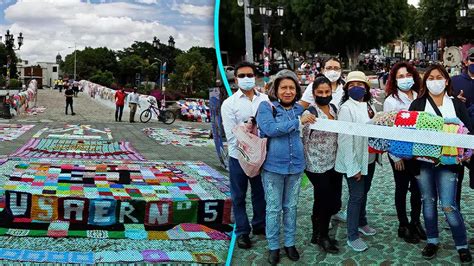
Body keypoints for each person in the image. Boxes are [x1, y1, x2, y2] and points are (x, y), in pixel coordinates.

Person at [409, 64, 472, 262]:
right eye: (431, 78)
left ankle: (461, 244)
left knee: (448, 205)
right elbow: (408, 132)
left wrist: (467, 152)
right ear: (425, 82)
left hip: (449, 163)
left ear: (446, 81)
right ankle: (432, 240)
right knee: (427, 202)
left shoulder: (456, 104)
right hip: (423, 163)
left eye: (439, 77)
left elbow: (468, 131)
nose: (435, 81)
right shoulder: (417, 104)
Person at [256, 69, 315, 265]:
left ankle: (289, 243)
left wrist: (308, 113)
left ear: (297, 90)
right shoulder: (267, 107)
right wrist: (298, 121)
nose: (288, 91)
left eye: (292, 88)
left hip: (296, 167)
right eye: (284, 87)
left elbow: (313, 113)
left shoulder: (299, 109)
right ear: (276, 89)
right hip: (273, 168)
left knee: (291, 207)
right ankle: (273, 246)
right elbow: (270, 129)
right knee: (273, 209)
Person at [221, 61, 267, 250]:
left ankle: (259, 224)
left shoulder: (265, 100)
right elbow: (231, 135)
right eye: (242, 76)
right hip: (237, 156)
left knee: (260, 193)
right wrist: (250, 141)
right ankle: (242, 231)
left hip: (261, 156)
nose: (246, 79)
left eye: (249, 75)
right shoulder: (229, 104)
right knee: (238, 196)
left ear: (255, 77)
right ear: (236, 79)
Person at [383, 62, 426, 244]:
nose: (405, 79)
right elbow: (387, 129)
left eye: (407, 75)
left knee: (418, 189)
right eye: (400, 76)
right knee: (401, 188)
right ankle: (403, 224)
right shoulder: (391, 101)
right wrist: (395, 156)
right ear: (394, 80)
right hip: (399, 152)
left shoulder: (420, 96)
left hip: (418, 151)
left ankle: (416, 222)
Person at [335, 71, 377, 252]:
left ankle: (362, 221)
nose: (356, 88)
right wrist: (353, 168)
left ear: (366, 88)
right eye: (351, 85)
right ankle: (352, 235)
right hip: (354, 162)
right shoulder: (346, 108)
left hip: (370, 158)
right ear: (346, 89)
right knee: (356, 196)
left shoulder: (369, 106)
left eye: (360, 84)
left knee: (364, 192)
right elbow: (345, 140)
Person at [302, 76, 342, 254]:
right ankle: (323, 236)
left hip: (333, 162)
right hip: (315, 164)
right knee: (324, 199)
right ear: (314, 93)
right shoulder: (310, 112)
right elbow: (301, 136)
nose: (324, 95)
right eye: (320, 92)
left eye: (327, 92)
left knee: (328, 200)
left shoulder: (334, 108)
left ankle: (316, 231)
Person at [452, 48, 474, 210]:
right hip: (457, 139)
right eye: (472, 60)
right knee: (454, 179)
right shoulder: (455, 81)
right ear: (466, 62)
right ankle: (454, 213)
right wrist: (455, 100)